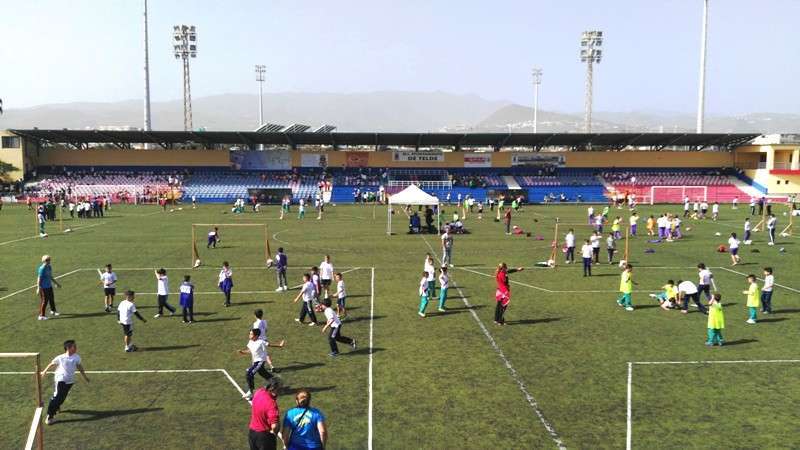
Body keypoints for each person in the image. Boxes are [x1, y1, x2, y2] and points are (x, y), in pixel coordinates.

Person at [41, 340, 89, 425]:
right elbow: (52, 364)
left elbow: (79, 367)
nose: (76, 348)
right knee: (58, 396)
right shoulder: (61, 357)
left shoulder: (77, 357)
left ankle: (57, 405)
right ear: (68, 348)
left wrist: (84, 377)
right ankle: (49, 416)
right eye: (74, 346)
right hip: (60, 378)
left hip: (70, 380)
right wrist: (44, 372)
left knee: (62, 397)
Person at [239, 328, 284, 400]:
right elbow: (250, 351)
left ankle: (251, 392)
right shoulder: (250, 342)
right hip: (255, 362)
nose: (249, 335)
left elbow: (269, 345)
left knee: (249, 373)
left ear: (256, 336)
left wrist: (280, 345)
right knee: (263, 373)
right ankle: (275, 381)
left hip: (260, 361)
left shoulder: (261, 342)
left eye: (251, 334)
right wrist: (243, 352)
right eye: (249, 333)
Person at [249, 377, 282, 450]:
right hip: (264, 437)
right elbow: (274, 426)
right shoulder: (271, 404)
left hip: (252, 433)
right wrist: (274, 434)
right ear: (273, 389)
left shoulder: (258, 392)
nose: (280, 391)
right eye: (279, 389)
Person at [37, 255, 62, 320]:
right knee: (44, 301)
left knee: (51, 298)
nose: (48, 261)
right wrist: (38, 287)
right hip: (43, 287)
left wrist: (56, 283)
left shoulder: (49, 267)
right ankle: (41, 316)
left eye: (49, 260)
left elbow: (50, 276)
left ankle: (53, 311)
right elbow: (39, 279)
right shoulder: (42, 269)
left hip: (49, 286)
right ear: (43, 261)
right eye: (47, 260)